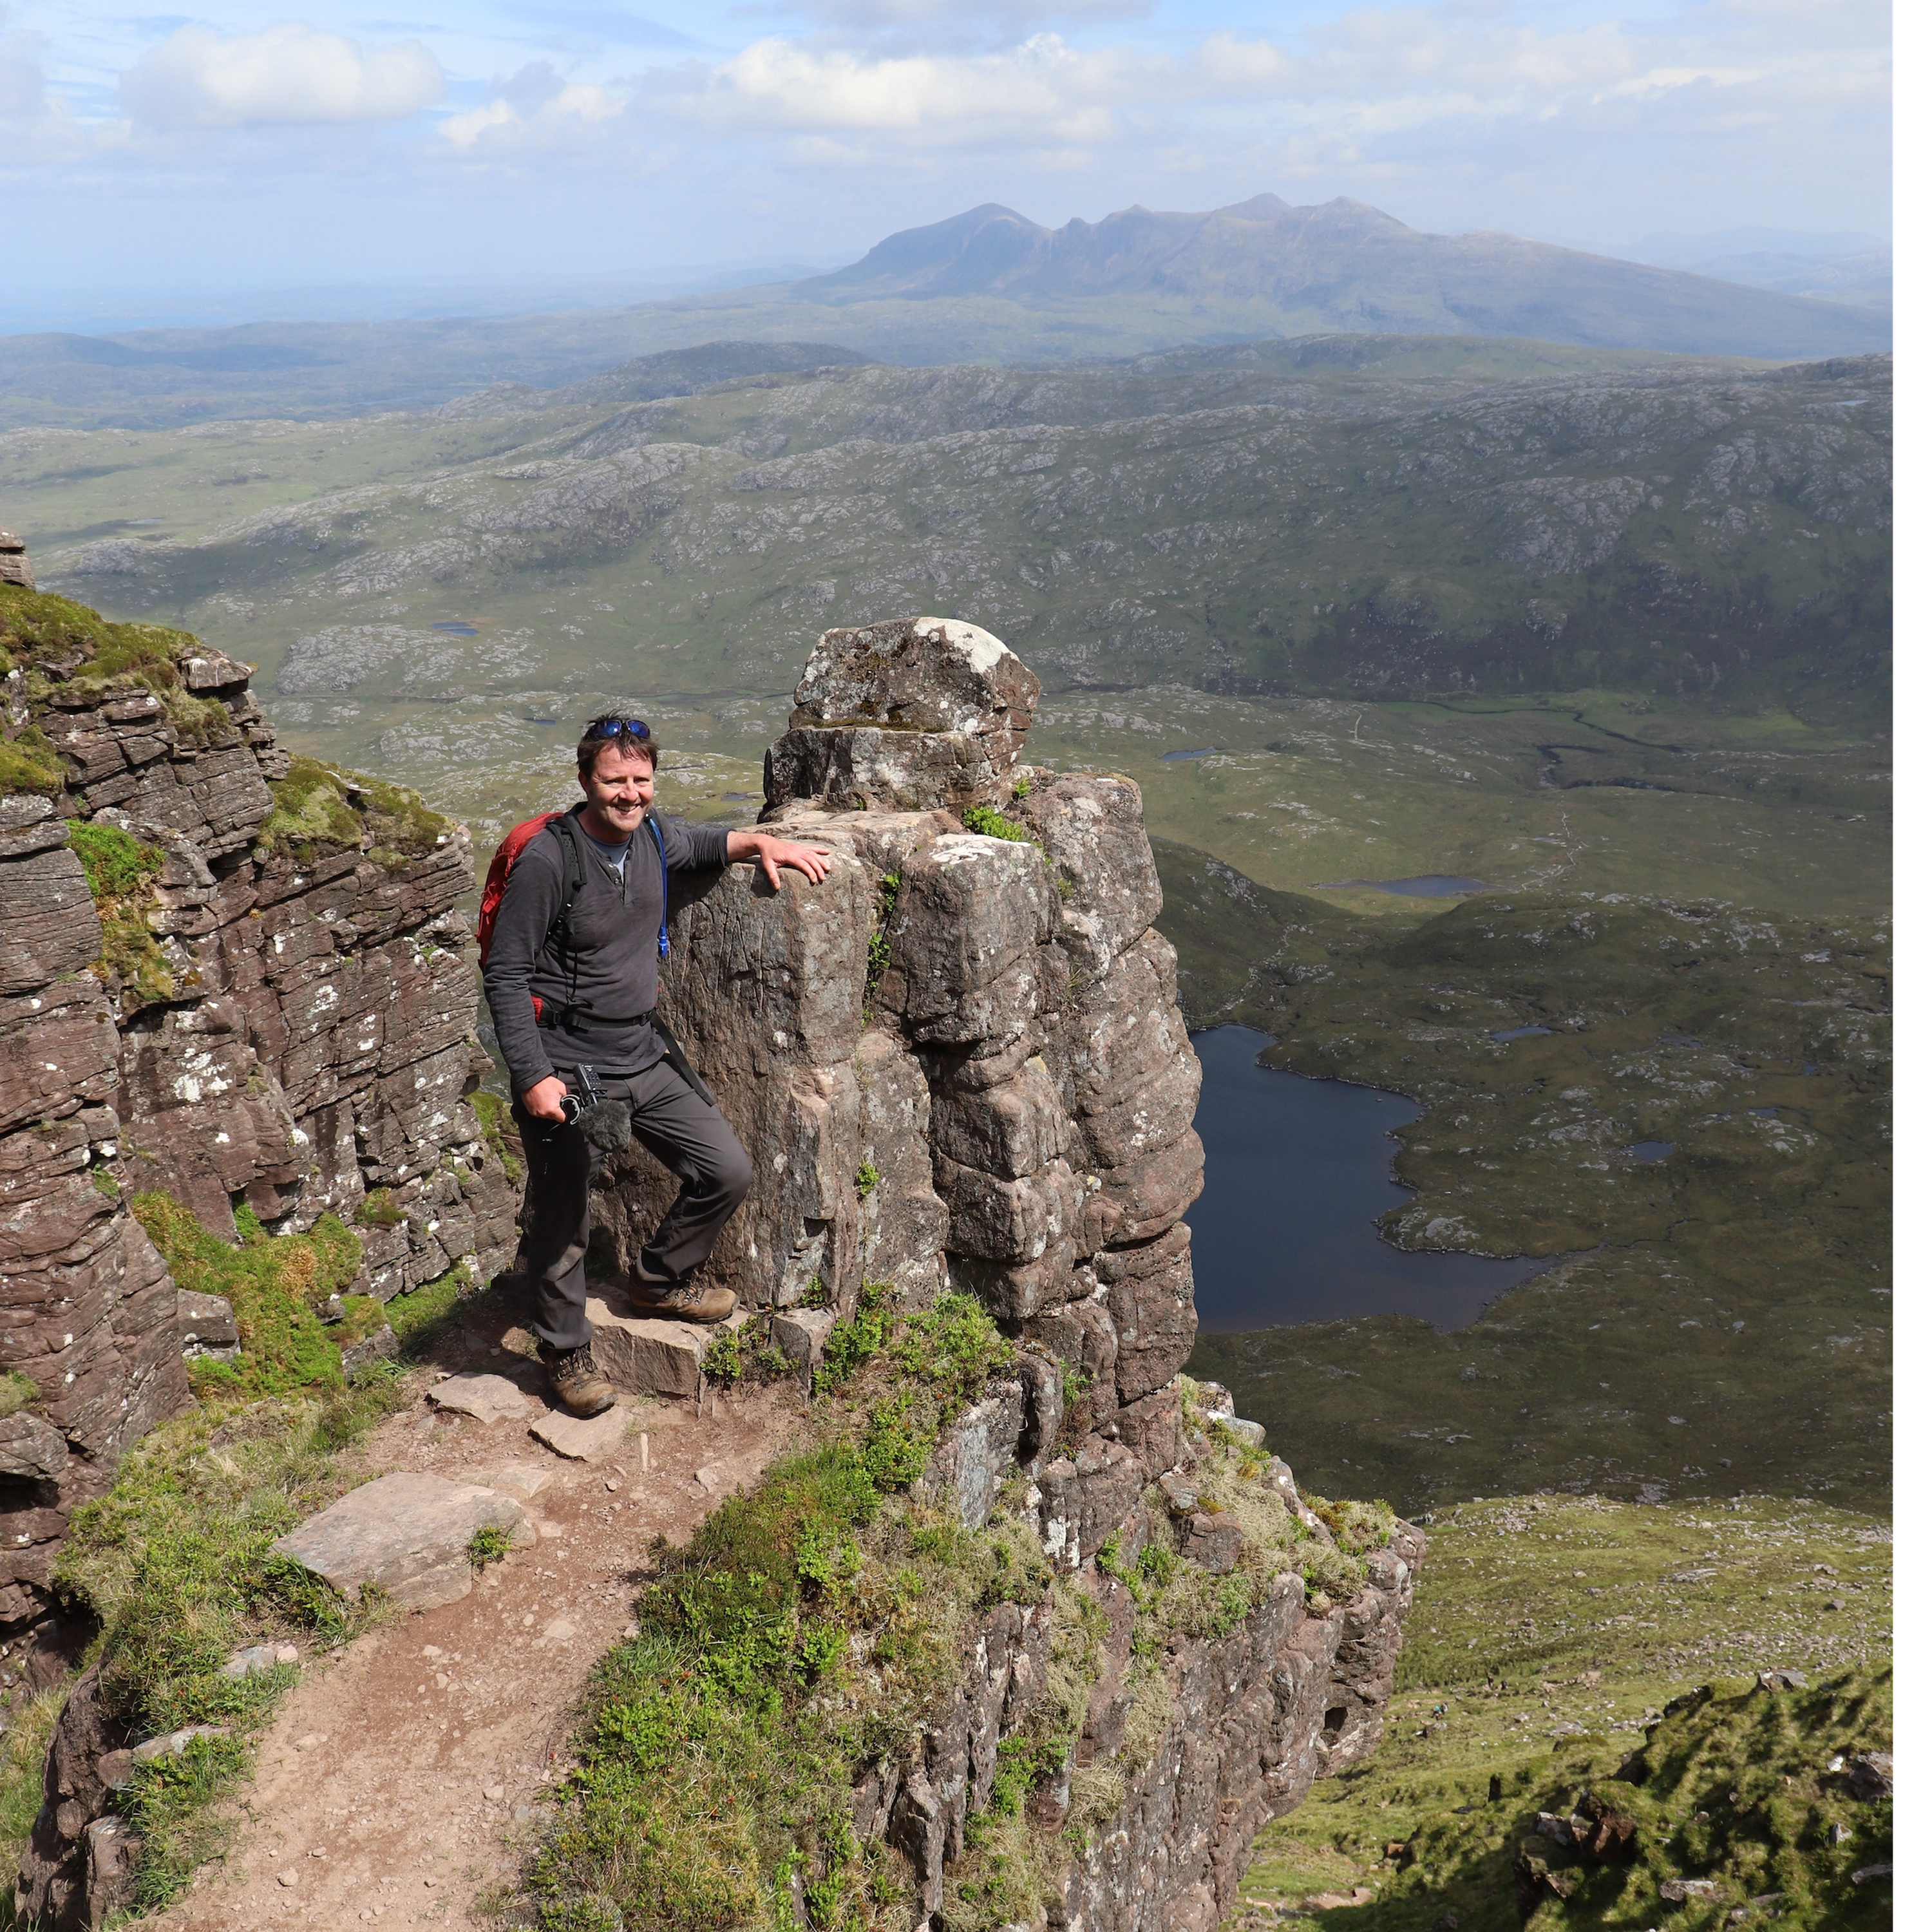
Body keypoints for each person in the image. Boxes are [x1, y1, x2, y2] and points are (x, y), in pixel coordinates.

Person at [483, 715, 831, 1416]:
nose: (630, 794)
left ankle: (658, 1279)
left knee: (726, 1170)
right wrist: (531, 1075)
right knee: (563, 1216)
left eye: (641, 780)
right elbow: (505, 973)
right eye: (615, 781)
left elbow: (707, 843)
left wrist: (763, 842)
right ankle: (565, 1350)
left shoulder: (651, 836)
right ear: (586, 781)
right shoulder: (549, 861)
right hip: (570, 1062)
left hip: (642, 1050)